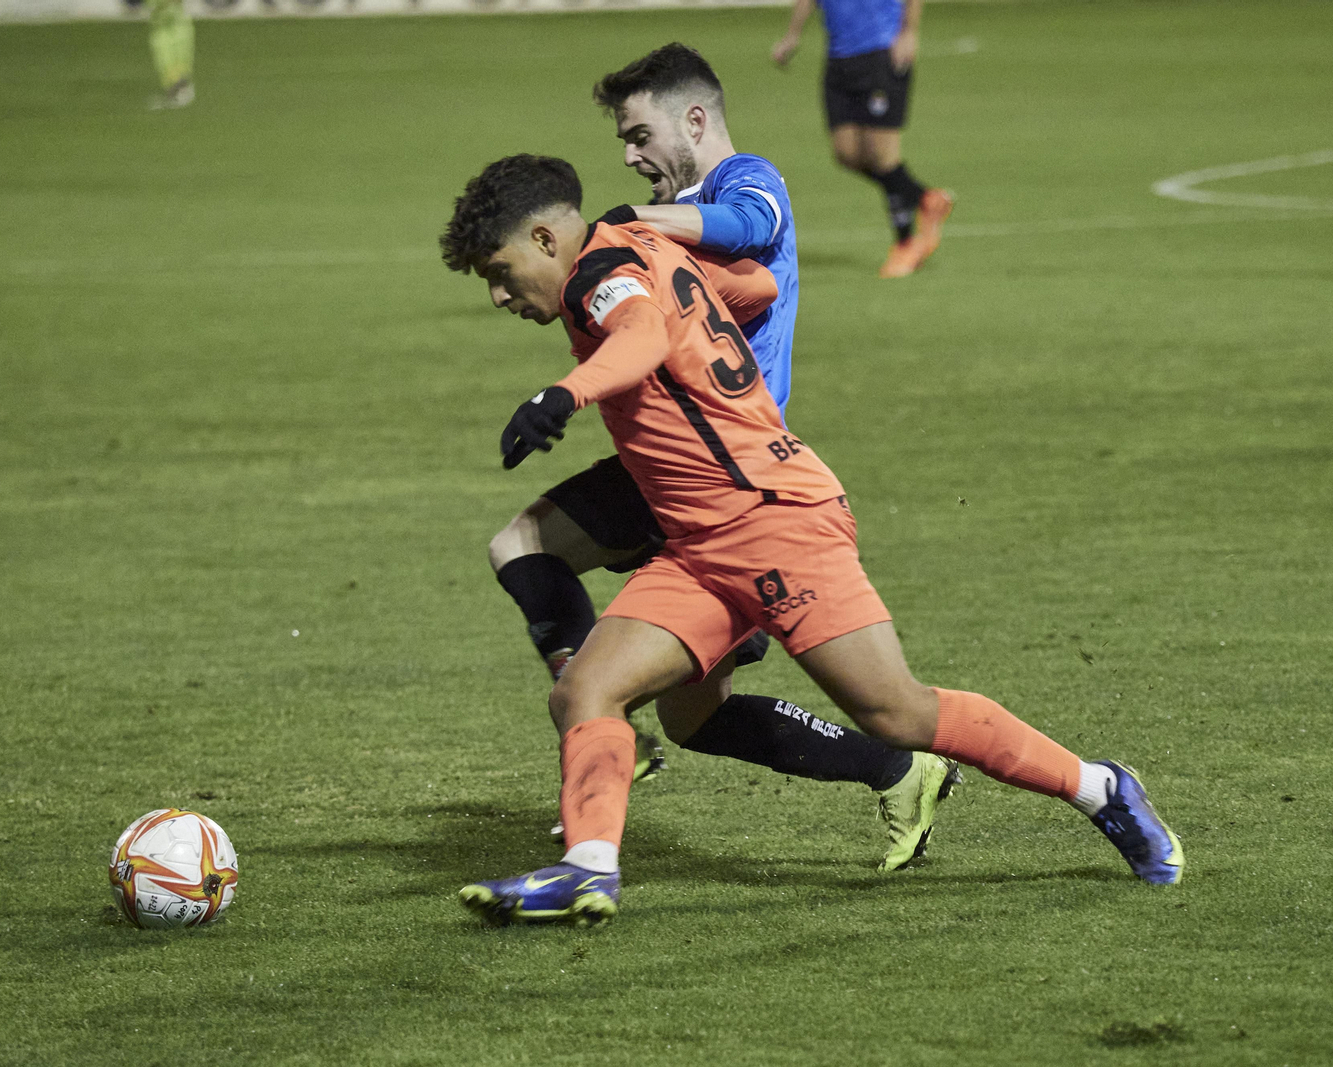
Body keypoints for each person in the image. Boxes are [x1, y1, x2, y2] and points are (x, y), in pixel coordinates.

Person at [440, 155, 1184, 925]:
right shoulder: (638, 248)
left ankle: (1101, 786)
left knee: (898, 713)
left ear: (543, 235)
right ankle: (587, 868)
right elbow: (754, 288)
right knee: (587, 690)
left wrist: (564, 392)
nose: (498, 295)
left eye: (501, 270)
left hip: (775, 523)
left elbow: (639, 331)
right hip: (700, 545)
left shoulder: (602, 277)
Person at [483, 45, 959, 872]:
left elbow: (754, 230)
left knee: (527, 548)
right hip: (680, 471)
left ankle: (602, 728)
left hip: (734, 478)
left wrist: (627, 225)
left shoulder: (747, 181)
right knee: (694, 717)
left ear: (693, 120)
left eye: (639, 134)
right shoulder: (655, 226)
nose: (629, 157)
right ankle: (898, 769)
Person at [772, 0, 953, 277]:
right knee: (846, 154)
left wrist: (909, 32)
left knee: (883, 156)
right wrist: (792, 35)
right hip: (839, 59)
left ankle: (905, 244)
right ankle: (926, 199)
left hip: (881, 53)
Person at [144, 0, 194, 110]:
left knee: (174, 43)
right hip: (163, 19)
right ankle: (176, 84)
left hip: (172, 18)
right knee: (164, 45)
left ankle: (178, 83)